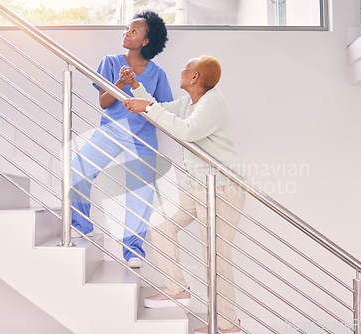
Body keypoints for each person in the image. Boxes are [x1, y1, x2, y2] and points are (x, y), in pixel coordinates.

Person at [122, 55, 245, 334]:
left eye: (187, 67)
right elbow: (163, 111)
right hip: (197, 186)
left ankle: (227, 325)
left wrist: (147, 106)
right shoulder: (190, 103)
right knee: (161, 224)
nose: (182, 69)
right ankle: (176, 288)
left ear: (195, 78)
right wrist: (136, 86)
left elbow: (186, 131)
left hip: (221, 187)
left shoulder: (212, 102)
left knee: (216, 256)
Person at [71, 11, 173, 269]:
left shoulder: (158, 73)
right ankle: (80, 226)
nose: (127, 33)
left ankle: (133, 250)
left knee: (140, 194)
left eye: (134, 31)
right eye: (127, 29)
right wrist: (120, 82)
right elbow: (104, 102)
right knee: (77, 171)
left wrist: (137, 85)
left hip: (143, 138)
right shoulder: (111, 61)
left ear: (145, 41)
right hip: (112, 130)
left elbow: (163, 112)